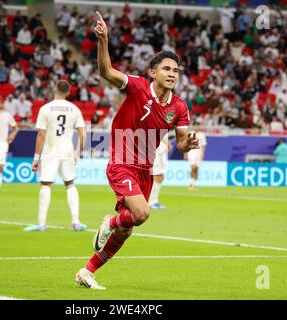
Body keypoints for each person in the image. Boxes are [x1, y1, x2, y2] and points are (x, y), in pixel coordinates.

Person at [74, 12, 199, 290]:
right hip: (122, 162)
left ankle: (87, 271)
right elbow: (106, 72)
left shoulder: (179, 107)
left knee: (127, 229)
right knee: (141, 214)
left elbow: (179, 143)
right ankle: (110, 219)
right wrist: (103, 40)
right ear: (153, 73)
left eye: (176, 71)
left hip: (146, 169)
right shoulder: (137, 87)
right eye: (167, 69)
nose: (172, 74)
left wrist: (188, 145)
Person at [24, 80, 87, 232]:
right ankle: (76, 222)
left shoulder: (46, 109)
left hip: (50, 151)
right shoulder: (74, 109)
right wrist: (78, 152)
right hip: (67, 151)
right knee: (70, 184)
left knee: (46, 184)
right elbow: (83, 133)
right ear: (68, 92)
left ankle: (41, 224)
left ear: (54, 89)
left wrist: (35, 158)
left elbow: (41, 134)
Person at [148, 134, 171, 209]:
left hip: (161, 151)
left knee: (160, 177)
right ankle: (152, 202)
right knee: (157, 176)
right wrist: (168, 144)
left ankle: (154, 201)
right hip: (157, 151)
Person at [185, 121, 207, 191]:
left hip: (199, 153)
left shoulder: (202, 135)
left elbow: (203, 145)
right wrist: (185, 153)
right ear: (193, 126)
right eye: (195, 125)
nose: (196, 127)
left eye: (198, 125)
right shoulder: (190, 134)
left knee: (196, 169)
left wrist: (202, 154)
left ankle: (194, 184)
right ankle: (190, 184)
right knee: (193, 168)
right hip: (191, 152)